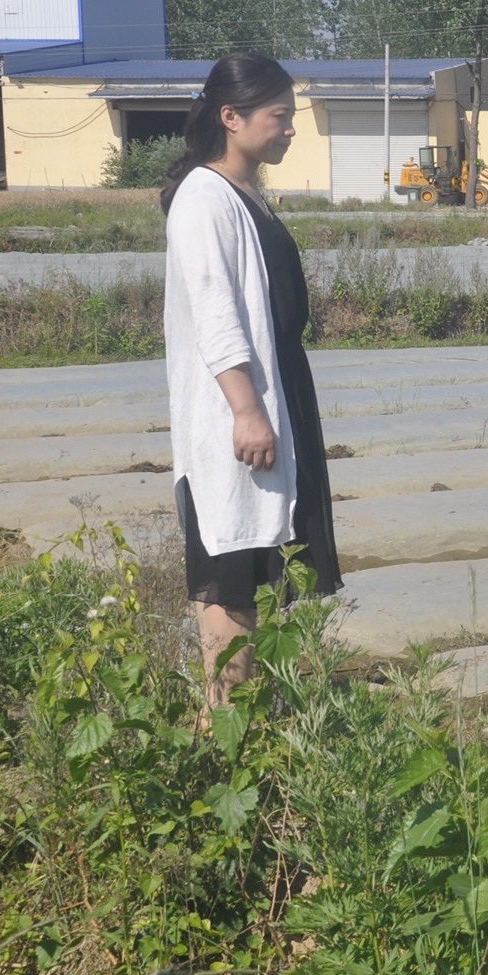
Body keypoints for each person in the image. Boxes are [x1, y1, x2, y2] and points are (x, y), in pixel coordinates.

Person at [161, 52, 343, 711]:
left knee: (270, 567)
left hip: (277, 400)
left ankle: (261, 730)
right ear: (230, 117)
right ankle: (226, 731)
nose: (291, 128)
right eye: (280, 116)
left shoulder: (244, 194)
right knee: (231, 573)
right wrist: (245, 408)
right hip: (240, 417)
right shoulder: (203, 197)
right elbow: (215, 309)